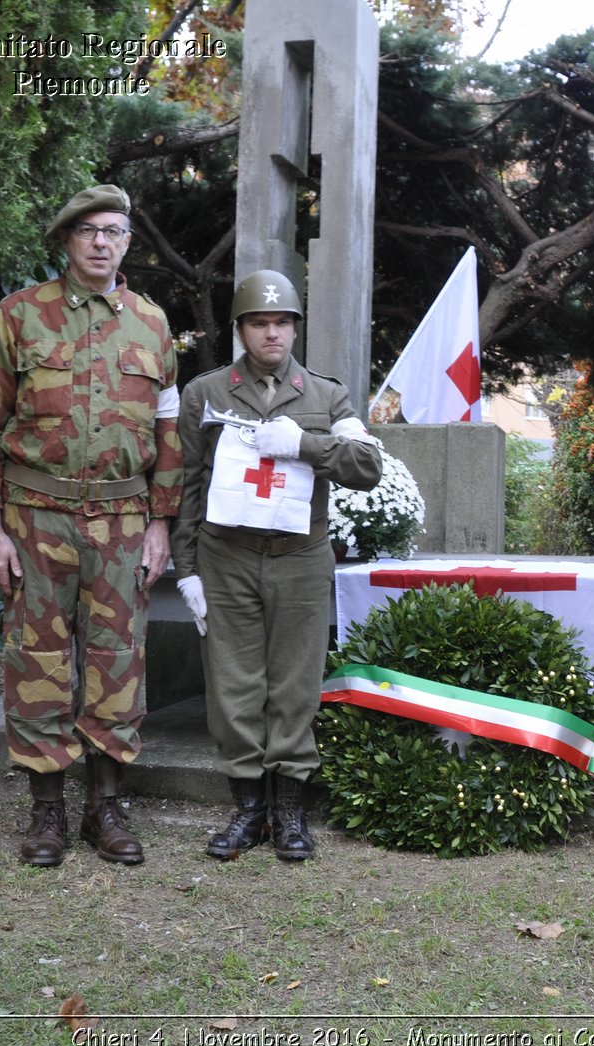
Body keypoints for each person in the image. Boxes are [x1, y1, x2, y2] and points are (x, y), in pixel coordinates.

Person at [0, 184, 181, 867]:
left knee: (118, 664)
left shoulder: (153, 324)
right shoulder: (20, 316)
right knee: (39, 662)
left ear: (127, 243)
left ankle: (104, 809)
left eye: (112, 230)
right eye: (86, 230)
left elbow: (169, 434)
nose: (100, 242)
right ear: (66, 240)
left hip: (122, 521)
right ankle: (47, 812)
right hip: (36, 518)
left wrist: (161, 524)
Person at [172, 270, 382, 861]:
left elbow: (367, 467)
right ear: (240, 329)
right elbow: (189, 483)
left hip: (300, 557)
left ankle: (290, 810)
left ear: (295, 328)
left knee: (294, 684)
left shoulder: (326, 395)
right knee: (234, 685)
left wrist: (303, 445)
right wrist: (185, 566)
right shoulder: (206, 394)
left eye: (283, 322)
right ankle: (248, 809)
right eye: (260, 323)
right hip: (226, 556)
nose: (273, 333)